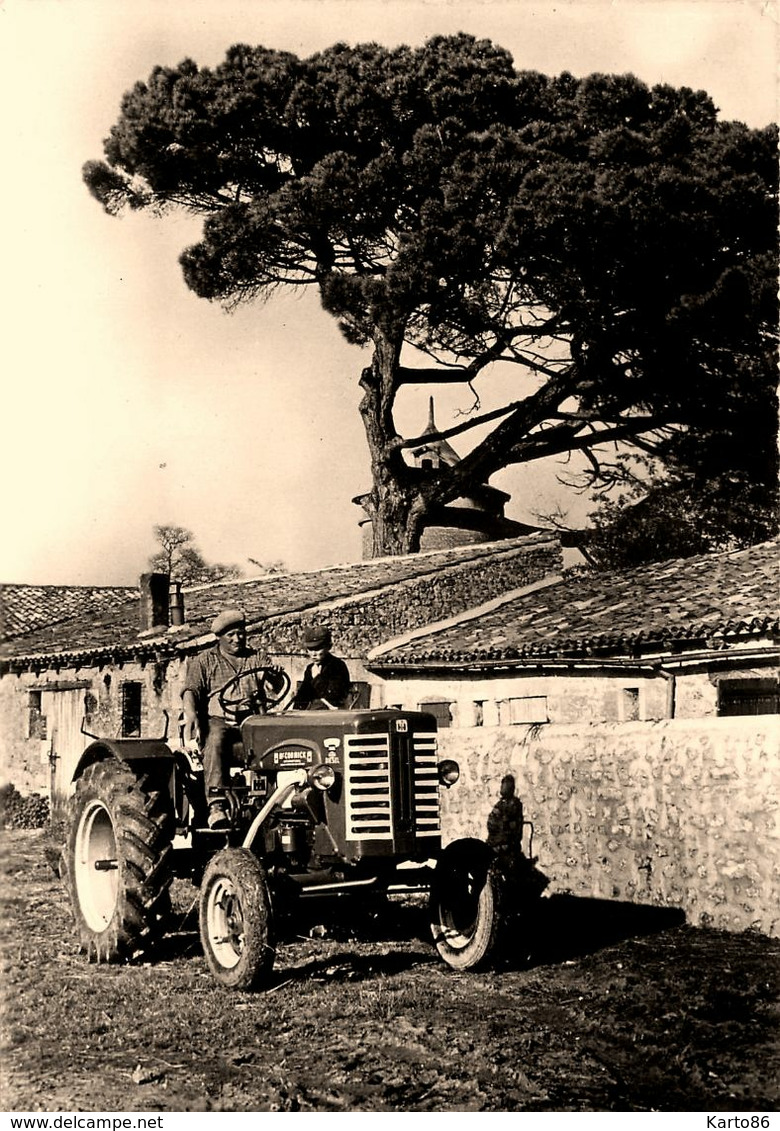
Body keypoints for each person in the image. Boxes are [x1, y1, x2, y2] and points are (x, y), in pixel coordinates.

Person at [181, 608, 287, 829]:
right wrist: (191, 714)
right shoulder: (204, 662)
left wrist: (274, 674)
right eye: (231, 635)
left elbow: (276, 687)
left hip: (252, 719)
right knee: (215, 738)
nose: (237, 639)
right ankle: (216, 805)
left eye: (241, 634)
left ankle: (274, 800)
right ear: (219, 638)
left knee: (277, 738)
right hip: (221, 720)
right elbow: (191, 690)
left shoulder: (257, 657)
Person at [291, 626, 351, 710]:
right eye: (310, 649)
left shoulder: (337, 666)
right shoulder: (310, 669)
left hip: (331, 715)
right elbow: (303, 696)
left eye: (318, 649)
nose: (313, 654)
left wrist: (317, 678)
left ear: (328, 647)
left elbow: (334, 697)